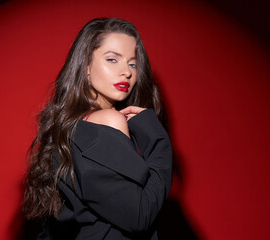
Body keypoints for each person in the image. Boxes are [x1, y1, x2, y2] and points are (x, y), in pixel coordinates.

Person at [22, 18, 172, 240]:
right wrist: (159, 142)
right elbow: (140, 215)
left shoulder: (68, 127)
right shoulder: (109, 121)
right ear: (86, 67)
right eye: (112, 59)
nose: (126, 72)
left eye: (133, 63)